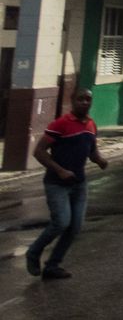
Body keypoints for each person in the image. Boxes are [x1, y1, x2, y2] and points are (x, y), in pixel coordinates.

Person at [25, 88, 108, 280]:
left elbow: (92, 151)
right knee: (62, 222)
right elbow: (39, 152)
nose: (85, 102)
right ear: (73, 101)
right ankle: (33, 251)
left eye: (88, 99)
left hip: (79, 184)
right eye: (81, 99)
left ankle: (52, 266)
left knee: (74, 228)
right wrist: (60, 171)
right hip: (56, 183)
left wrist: (100, 160)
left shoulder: (92, 125)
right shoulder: (60, 124)